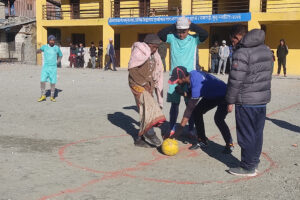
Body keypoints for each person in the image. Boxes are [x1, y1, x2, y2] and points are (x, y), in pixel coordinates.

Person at [226, 25, 273, 176]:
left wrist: (230, 100)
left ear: (237, 37)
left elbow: (235, 80)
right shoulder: (266, 49)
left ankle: (247, 167)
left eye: (232, 40)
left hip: (246, 100)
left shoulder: (242, 52)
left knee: (246, 134)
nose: (232, 43)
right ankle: (254, 161)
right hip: (261, 100)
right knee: (257, 133)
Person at [158, 16, 208, 137]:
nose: (181, 34)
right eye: (179, 31)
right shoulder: (172, 38)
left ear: (188, 30)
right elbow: (160, 34)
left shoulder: (193, 39)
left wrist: (192, 25)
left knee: (189, 105)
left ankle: (191, 129)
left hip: (189, 78)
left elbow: (205, 34)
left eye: (184, 31)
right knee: (174, 105)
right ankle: (172, 128)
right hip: (174, 78)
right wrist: (174, 26)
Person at [166, 66, 234, 153]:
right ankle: (202, 141)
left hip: (224, 95)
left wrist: (179, 129)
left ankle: (230, 144)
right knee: (197, 112)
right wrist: (183, 93)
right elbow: (192, 94)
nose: (176, 83)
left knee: (218, 119)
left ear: (183, 77)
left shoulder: (196, 84)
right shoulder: (192, 75)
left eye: (177, 81)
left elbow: (189, 110)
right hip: (211, 95)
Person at [128, 34, 166, 148]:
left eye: (157, 47)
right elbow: (132, 69)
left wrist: (152, 85)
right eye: (154, 47)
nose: (155, 49)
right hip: (137, 84)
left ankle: (139, 139)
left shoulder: (154, 55)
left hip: (148, 85)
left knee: (144, 110)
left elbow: (155, 71)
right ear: (148, 45)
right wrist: (143, 83)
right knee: (148, 109)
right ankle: (150, 134)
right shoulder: (139, 51)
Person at [37, 35, 63, 102]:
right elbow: (39, 50)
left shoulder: (56, 48)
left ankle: (52, 96)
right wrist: (38, 50)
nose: (52, 41)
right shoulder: (45, 47)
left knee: (53, 82)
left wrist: (57, 62)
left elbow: (60, 55)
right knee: (42, 81)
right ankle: (43, 96)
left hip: (53, 68)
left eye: (53, 40)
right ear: (48, 41)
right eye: (51, 40)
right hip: (45, 67)